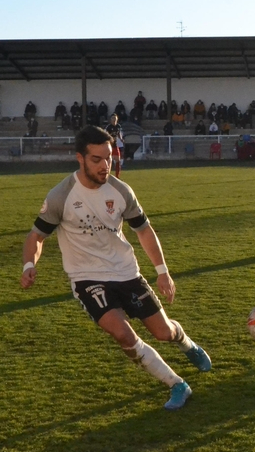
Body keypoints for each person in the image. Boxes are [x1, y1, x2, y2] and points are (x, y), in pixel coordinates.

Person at [20, 125, 211, 410]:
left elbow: (144, 230)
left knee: (163, 333)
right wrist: (29, 264)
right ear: (80, 158)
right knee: (123, 334)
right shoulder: (61, 195)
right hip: (86, 278)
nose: (105, 165)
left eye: (108, 158)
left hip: (126, 272)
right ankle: (176, 384)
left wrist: (162, 271)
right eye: (96, 159)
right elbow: (36, 236)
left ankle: (185, 342)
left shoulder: (121, 191)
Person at [104, 114, 123, 178]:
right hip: (109, 146)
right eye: (113, 118)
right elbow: (105, 136)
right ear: (111, 120)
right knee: (107, 161)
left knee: (118, 160)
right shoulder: (108, 127)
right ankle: (105, 175)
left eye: (115, 118)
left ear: (117, 119)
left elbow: (118, 133)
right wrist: (111, 139)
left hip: (115, 145)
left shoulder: (118, 126)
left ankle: (117, 176)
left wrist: (121, 139)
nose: (114, 120)